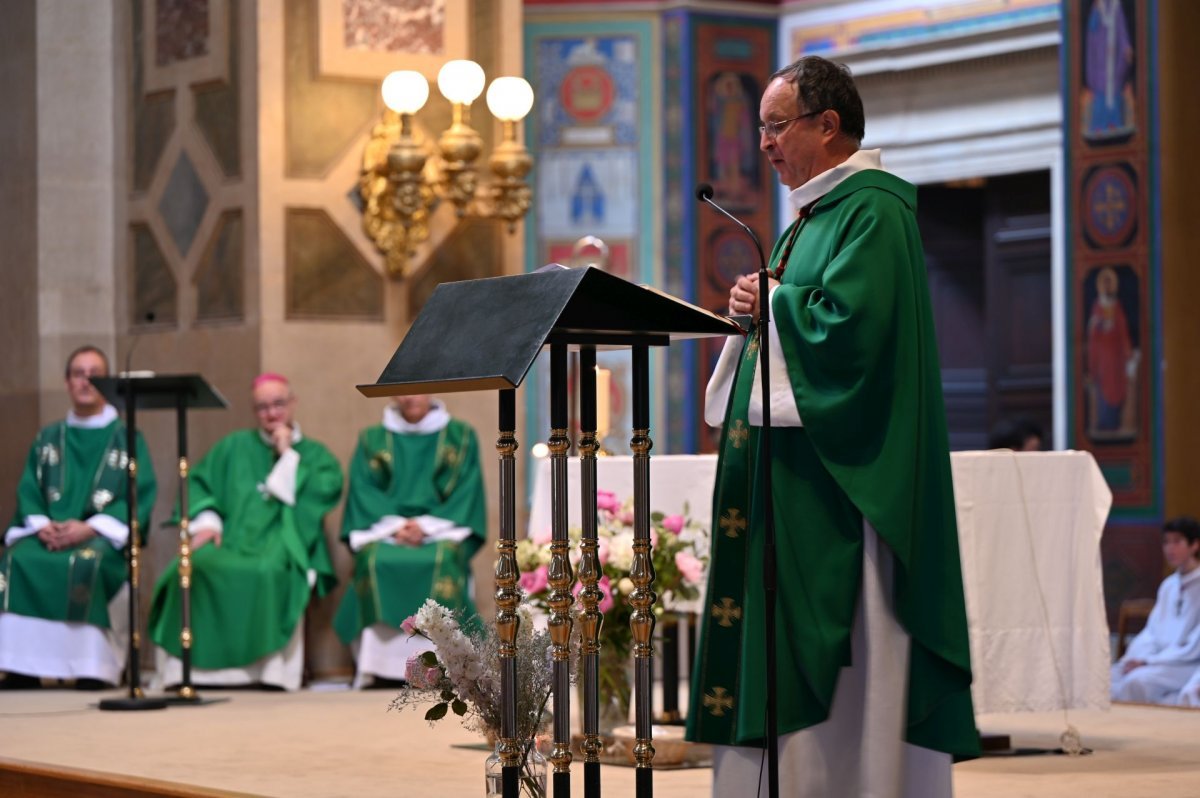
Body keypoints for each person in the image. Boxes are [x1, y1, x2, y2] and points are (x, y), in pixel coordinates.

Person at [686, 56, 978, 796]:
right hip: (793, 478)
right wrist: (763, 302)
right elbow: (798, 313)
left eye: (777, 125)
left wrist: (774, 302)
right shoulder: (816, 215)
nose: (764, 144)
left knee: (836, 653)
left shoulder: (871, 208)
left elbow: (853, 331)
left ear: (828, 124)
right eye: (760, 127)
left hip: (837, 488)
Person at [147, 373, 342, 691]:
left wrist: (287, 455)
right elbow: (198, 483)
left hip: (281, 540)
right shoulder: (233, 446)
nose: (271, 413)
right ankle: (185, 672)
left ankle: (270, 673)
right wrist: (208, 520)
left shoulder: (316, 455)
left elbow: (318, 495)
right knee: (187, 569)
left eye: (278, 404)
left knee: (268, 571)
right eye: (262, 407)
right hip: (230, 538)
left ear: (293, 404)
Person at [0, 345, 156, 688]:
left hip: (98, 539)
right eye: (78, 373)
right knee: (15, 561)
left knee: (89, 563)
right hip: (48, 535)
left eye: (94, 374)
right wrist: (43, 527)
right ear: (67, 382)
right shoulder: (48, 437)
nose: (86, 381)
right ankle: (21, 666)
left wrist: (88, 527)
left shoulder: (126, 437)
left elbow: (137, 495)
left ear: (108, 383)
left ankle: (91, 668)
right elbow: (29, 489)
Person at [334, 395, 486, 688]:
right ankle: (376, 667)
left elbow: (467, 492)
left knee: (440, 558)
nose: (409, 397)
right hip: (386, 532)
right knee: (375, 559)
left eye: (417, 389)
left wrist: (425, 527)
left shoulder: (460, 436)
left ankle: (444, 668)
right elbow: (363, 491)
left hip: (440, 531)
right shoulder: (372, 439)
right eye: (402, 390)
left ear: (430, 391)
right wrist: (396, 527)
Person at [1110, 516, 1200, 706]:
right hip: (1159, 659)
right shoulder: (1169, 586)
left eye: (1177, 542)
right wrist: (1135, 658)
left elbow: (1193, 646)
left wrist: (1147, 662)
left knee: (1137, 682)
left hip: (1186, 663)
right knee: (1109, 678)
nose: (1170, 549)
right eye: (1166, 542)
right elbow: (1152, 632)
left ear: (1194, 545)